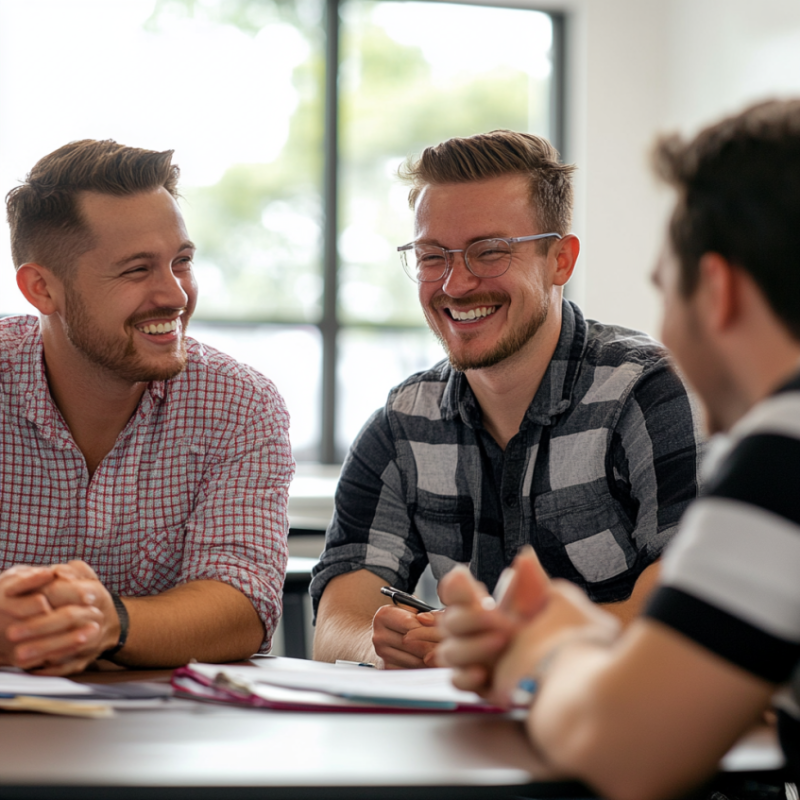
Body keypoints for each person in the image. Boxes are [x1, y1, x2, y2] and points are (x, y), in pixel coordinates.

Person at [436, 98, 800, 800]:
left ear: (717, 292)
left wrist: (541, 648)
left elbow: (627, 750)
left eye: (665, 287)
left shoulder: (784, 457)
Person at [311, 129, 703, 669]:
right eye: (431, 256)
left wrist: (506, 642)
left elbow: (685, 611)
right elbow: (337, 620)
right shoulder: (403, 424)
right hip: (467, 738)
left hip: (624, 732)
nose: (456, 283)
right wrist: (390, 645)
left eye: (489, 252)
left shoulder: (645, 394)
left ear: (560, 261)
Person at [0, 139, 293, 676]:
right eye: (137, 270)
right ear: (41, 288)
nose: (176, 295)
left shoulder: (240, 404)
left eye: (181, 262)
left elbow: (243, 606)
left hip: (164, 740)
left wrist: (108, 622)